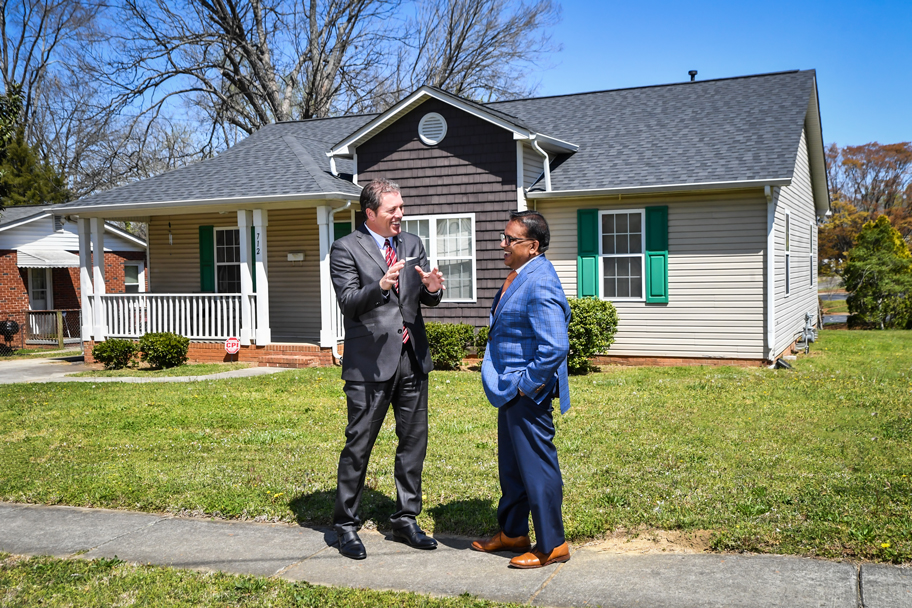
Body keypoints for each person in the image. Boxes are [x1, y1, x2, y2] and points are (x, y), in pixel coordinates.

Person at [329, 178, 445, 560]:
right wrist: (379, 285)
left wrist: (431, 288)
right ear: (370, 214)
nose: (400, 214)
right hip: (369, 365)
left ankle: (405, 520)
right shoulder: (345, 248)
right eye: (392, 209)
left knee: (413, 444)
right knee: (358, 445)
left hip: (412, 359)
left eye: (401, 206)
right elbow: (348, 302)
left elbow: (425, 299)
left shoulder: (411, 244)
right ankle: (346, 524)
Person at [471, 210, 572, 569]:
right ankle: (513, 533)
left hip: (527, 393)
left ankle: (552, 544)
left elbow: (556, 346)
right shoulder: (521, 275)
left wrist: (526, 386)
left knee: (537, 469)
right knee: (512, 468)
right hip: (510, 391)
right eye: (504, 236)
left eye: (510, 239)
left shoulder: (540, 280)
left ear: (531, 246)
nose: (502, 244)